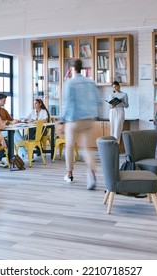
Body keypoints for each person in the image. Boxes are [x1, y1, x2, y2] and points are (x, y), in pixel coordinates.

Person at [58, 58, 101, 190]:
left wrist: (61, 120)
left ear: (71, 69)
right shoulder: (90, 82)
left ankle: (69, 174)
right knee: (86, 148)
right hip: (88, 119)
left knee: (70, 147)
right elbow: (98, 100)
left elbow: (67, 104)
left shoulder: (70, 83)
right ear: (82, 68)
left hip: (74, 120)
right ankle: (91, 171)